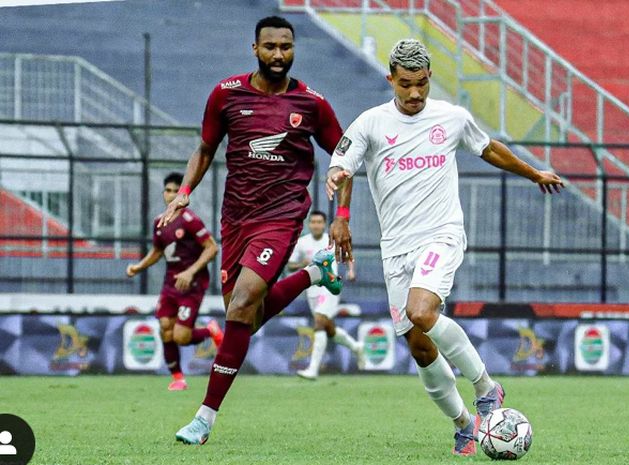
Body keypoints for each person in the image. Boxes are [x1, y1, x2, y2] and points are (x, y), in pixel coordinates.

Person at [326, 39, 564, 456]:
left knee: (422, 311)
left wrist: (533, 173)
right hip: (394, 248)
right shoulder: (370, 123)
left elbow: (488, 148)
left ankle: (487, 387)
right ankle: (464, 424)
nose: (415, 94)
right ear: (390, 80)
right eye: (405, 85)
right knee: (419, 345)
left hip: (441, 234)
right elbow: (344, 166)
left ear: (430, 77)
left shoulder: (451, 118)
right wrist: (342, 216)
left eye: (421, 84)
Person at [162, 16, 345, 445]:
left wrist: (343, 211)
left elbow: (344, 153)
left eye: (286, 47)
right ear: (255, 48)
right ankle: (314, 274)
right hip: (236, 218)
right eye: (270, 47)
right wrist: (185, 191)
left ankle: (204, 419)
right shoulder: (226, 95)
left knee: (242, 304)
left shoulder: (312, 104)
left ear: (293, 49)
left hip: (281, 217)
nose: (279, 55)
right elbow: (206, 148)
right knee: (247, 315)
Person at [126, 172, 221, 391]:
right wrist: (139, 267)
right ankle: (178, 377)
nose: (169, 195)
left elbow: (212, 248)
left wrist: (190, 272)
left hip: (192, 283)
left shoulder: (190, 220)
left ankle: (210, 330)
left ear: (182, 195)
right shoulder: (159, 222)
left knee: (181, 336)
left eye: (174, 191)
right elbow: (158, 251)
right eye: (167, 190)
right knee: (165, 328)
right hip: (170, 284)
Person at [287, 210, 363, 380]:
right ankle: (356, 346)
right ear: (309, 224)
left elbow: (348, 254)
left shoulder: (332, 241)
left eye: (319, 222)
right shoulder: (302, 243)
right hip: (311, 291)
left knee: (319, 321)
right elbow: (290, 266)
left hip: (329, 288)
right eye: (313, 222)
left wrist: (351, 271)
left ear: (324, 224)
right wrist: (302, 263)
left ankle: (313, 369)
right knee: (328, 328)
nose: (316, 225)